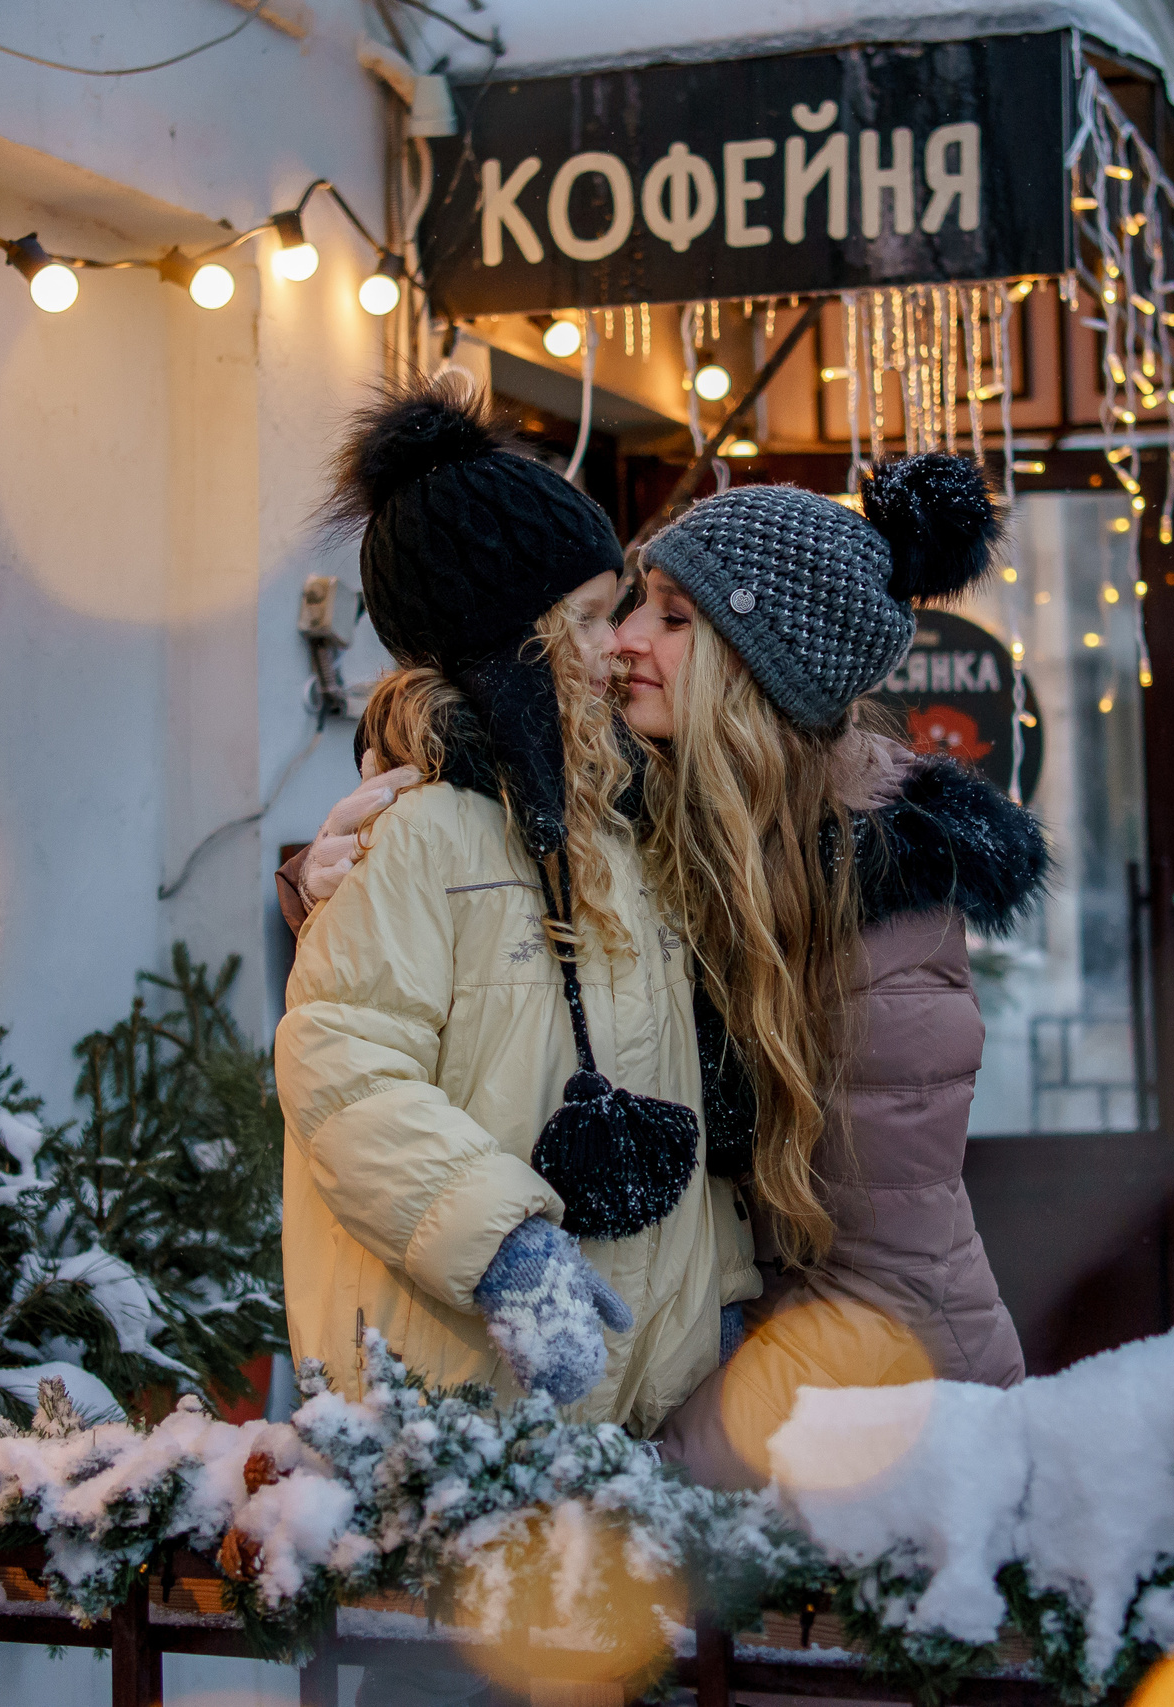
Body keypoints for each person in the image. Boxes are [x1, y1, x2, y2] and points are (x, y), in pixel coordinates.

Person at [274, 377, 753, 1437]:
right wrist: (503, 1247)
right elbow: (339, 1063)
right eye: (584, 619)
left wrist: (716, 1301)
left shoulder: (617, 828)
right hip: (463, 1389)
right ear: (505, 642)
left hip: (622, 1399)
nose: (614, 645)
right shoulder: (424, 829)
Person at [615, 461, 1048, 1487]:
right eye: (638, 603)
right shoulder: (689, 827)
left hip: (896, 1445)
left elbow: (881, 1294)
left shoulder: (871, 926)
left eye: (673, 619)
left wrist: (660, 1478)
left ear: (755, 668)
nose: (626, 637)